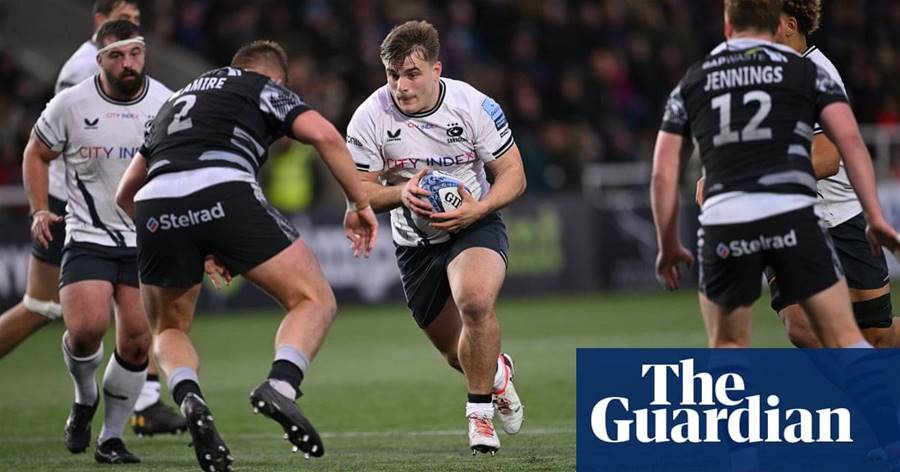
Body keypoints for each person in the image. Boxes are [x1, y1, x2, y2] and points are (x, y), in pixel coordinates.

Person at [115, 40, 377, 472]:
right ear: (277, 79)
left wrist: (193, 243)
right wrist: (358, 203)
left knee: (169, 329)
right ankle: (282, 386)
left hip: (154, 203)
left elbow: (125, 194)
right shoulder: (261, 86)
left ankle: (189, 397)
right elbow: (325, 135)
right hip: (223, 185)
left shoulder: (173, 103)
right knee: (314, 299)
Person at [0, 0, 186, 437]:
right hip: (72, 209)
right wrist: (43, 207)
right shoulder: (80, 76)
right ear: (100, 26)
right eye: (123, 23)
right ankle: (105, 398)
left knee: (138, 328)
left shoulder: (161, 96)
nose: (129, 40)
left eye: (136, 30)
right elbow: (49, 145)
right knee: (52, 310)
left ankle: (138, 407)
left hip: (130, 223)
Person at [346, 20, 526, 455]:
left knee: (476, 301)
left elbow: (513, 174)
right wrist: (400, 193)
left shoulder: (474, 106)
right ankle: (497, 374)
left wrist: (479, 209)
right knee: (455, 354)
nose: (401, 86)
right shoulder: (369, 117)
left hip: (473, 224)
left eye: (412, 74)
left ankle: (479, 415)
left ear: (436, 69)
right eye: (393, 75)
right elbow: (360, 193)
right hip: (414, 243)